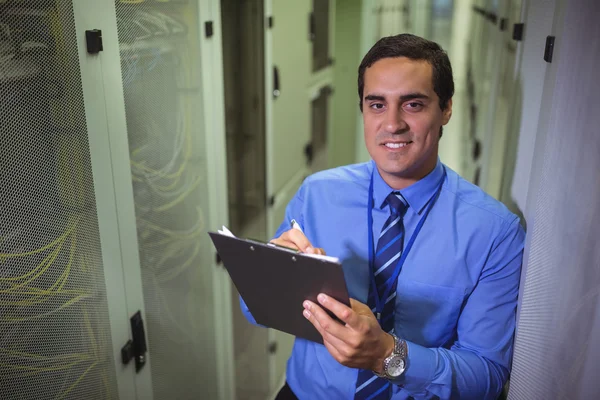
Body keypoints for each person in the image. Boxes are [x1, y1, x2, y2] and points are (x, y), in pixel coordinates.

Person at [241, 33, 525, 400]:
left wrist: (386, 355)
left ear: (447, 109)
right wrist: (272, 273)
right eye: (377, 105)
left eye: (413, 105)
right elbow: (254, 310)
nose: (392, 124)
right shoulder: (317, 194)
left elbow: (487, 375)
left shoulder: (495, 232)